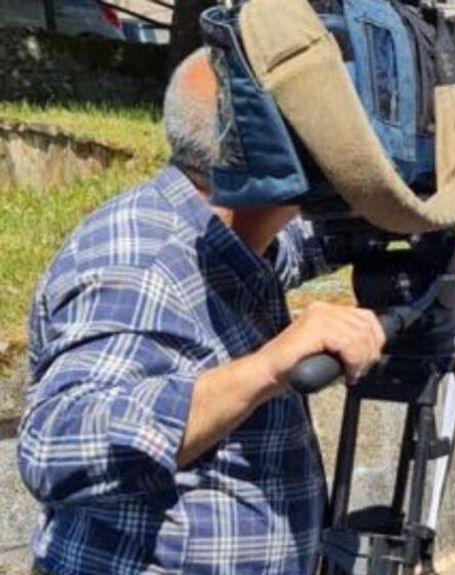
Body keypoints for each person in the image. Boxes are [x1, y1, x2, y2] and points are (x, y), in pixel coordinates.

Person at [17, 49, 386, 574]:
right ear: (266, 146)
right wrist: (267, 368)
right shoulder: (140, 260)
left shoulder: (225, 238)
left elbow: (294, 249)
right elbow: (58, 444)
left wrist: (396, 201)